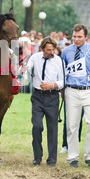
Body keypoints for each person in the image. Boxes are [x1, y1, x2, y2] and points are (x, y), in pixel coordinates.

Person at [61, 24, 90, 168]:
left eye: (79, 37)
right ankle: (72, 157)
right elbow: (63, 73)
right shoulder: (66, 52)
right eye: (74, 36)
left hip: (89, 90)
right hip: (71, 90)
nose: (76, 39)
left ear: (86, 37)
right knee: (72, 125)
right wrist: (62, 92)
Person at [21, 36, 64, 166]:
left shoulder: (59, 61)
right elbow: (27, 67)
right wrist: (23, 69)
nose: (52, 52)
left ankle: (51, 159)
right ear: (42, 49)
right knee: (37, 126)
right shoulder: (35, 57)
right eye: (48, 50)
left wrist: (52, 85)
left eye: (53, 49)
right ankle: (37, 157)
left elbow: (63, 81)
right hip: (37, 97)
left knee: (52, 128)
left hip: (52, 96)